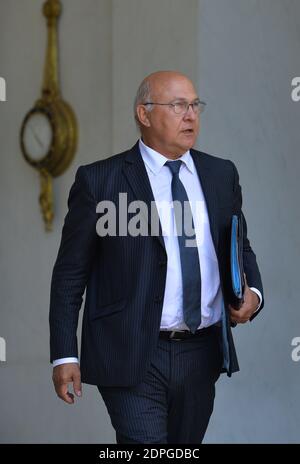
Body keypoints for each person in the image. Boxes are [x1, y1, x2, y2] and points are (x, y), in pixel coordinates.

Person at [49, 71, 264, 444]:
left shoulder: (220, 174)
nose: (191, 115)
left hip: (202, 351)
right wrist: (64, 354)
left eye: (195, 105)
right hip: (131, 352)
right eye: (178, 105)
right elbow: (70, 274)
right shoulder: (100, 181)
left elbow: (239, 244)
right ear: (144, 114)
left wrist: (253, 294)